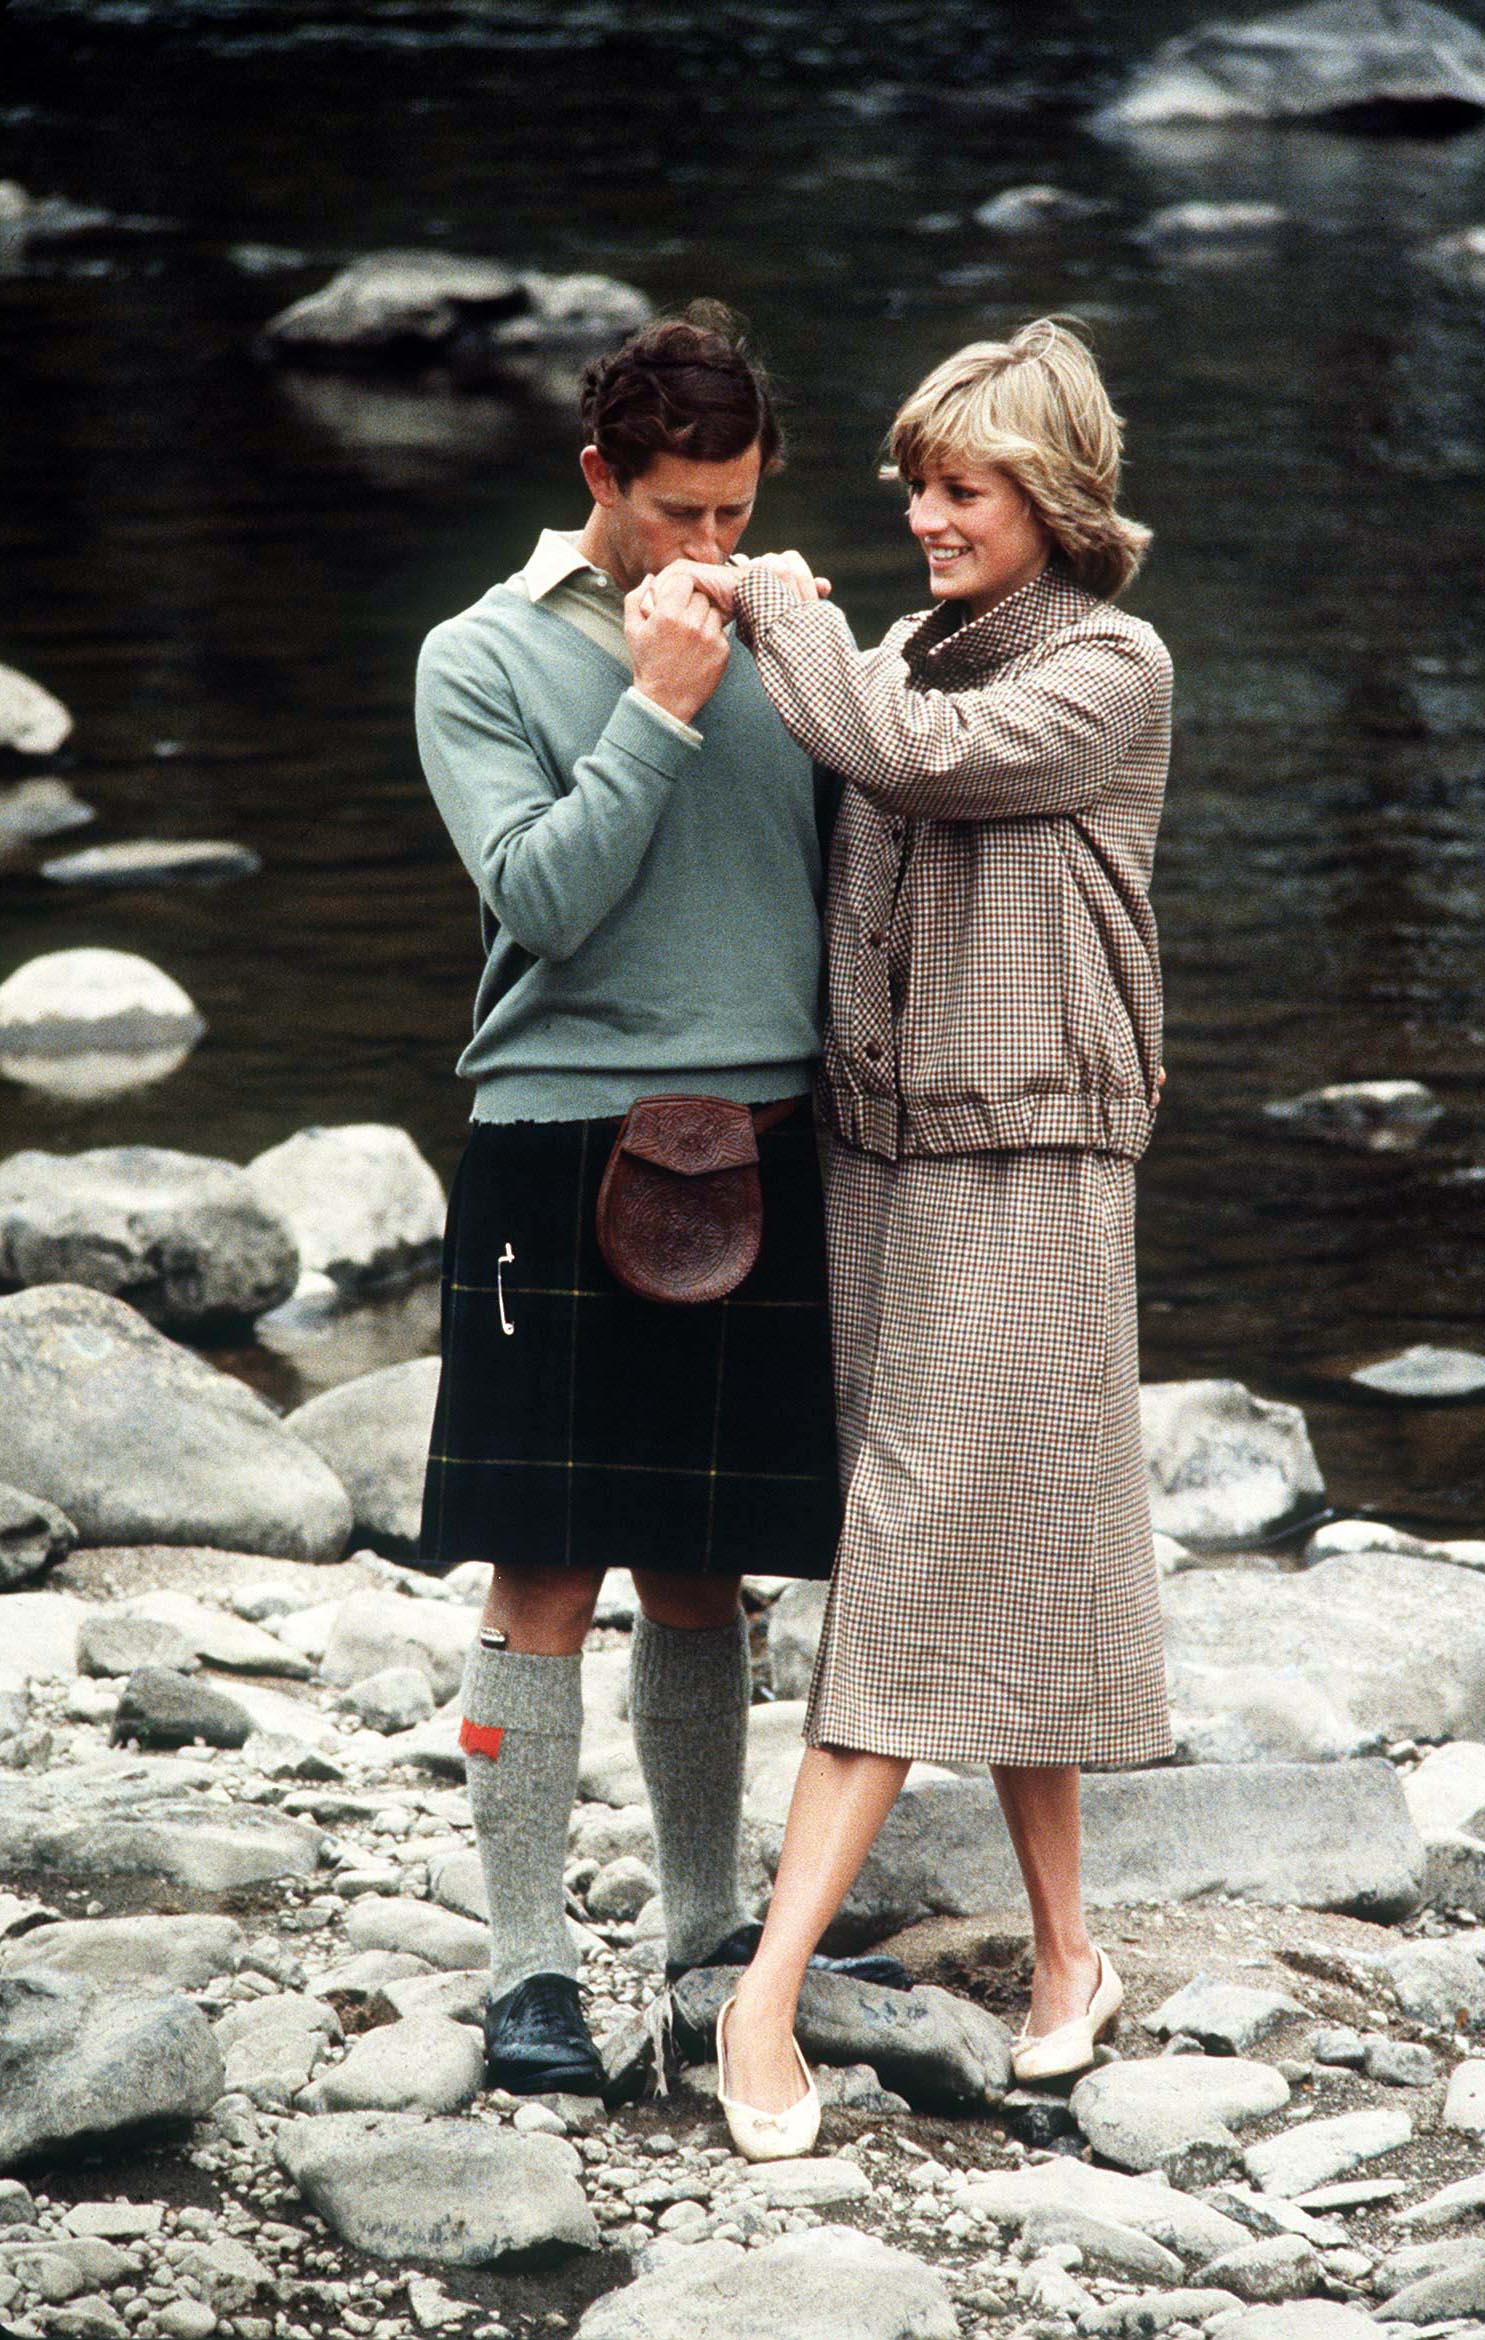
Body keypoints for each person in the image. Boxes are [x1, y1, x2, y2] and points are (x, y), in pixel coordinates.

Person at [667, 316, 1175, 2159]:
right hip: (884, 1166)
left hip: (1031, 1163)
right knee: (1002, 1535)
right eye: (916, 486)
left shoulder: (1109, 666)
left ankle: (764, 1997)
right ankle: (1069, 1959)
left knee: (905, 1552)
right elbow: (864, 747)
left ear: (1052, 495)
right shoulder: (899, 653)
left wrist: (775, 608)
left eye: (962, 488)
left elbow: (911, 759)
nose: (926, 516)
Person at [412, 301, 891, 2102]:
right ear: (598, 477)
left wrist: (819, 663)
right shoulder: (477, 655)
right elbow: (541, 899)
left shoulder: (784, 636)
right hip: (558, 1134)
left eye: (737, 510)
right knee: (543, 1564)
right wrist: (662, 703)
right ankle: (527, 1968)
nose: (710, 545)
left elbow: (867, 868)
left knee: (705, 1569)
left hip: (762, 1131)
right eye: (679, 510)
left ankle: (704, 1941)